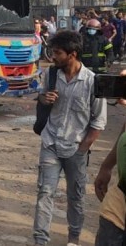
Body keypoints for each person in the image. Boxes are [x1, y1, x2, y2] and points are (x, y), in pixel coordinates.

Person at [32, 30, 107, 246]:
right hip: (51, 143)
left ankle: (73, 239)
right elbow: (41, 98)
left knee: (76, 198)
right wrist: (44, 99)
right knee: (45, 193)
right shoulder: (52, 75)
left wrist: (82, 150)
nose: (52, 57)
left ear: (72, 54)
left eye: (57, 53)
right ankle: (40, 240)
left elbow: (98, 122)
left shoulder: (93, 82)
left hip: (76, 149)